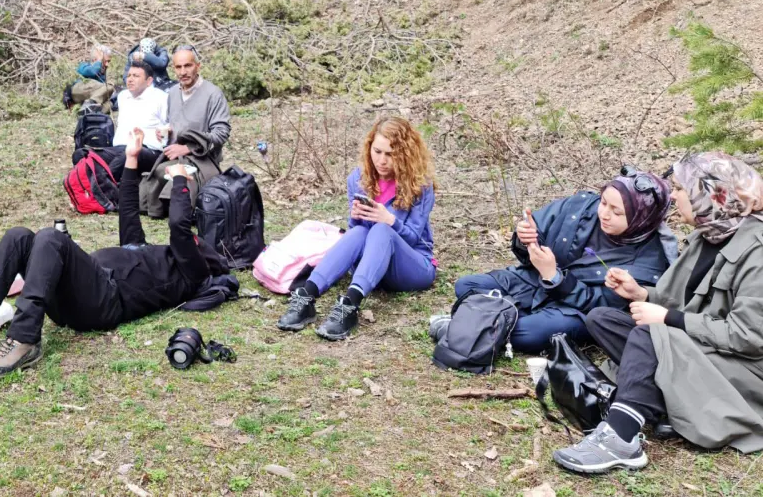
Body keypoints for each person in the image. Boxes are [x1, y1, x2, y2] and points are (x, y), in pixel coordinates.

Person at [0, 128, 230, 378]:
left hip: (104, 302)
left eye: (198, 243)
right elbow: (127, 210)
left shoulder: (192, 273)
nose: (194, 241)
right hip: (77, 293)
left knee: (51, 238)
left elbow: (179, 226)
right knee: (18, 236)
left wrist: (180, 178)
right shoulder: (146, 252)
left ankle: (24, 339)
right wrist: (132, 159)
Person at [552, 152, 763, 474]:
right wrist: (641, 294)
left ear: (708, 195)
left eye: (680, 189)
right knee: (603, 319)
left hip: (743, 371)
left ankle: (621, 438)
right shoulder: (708, 236)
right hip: (701, 349)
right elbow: (683, 303)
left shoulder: (758, 253)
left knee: (650, 333)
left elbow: (748, 337)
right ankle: (662, 401)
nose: (674, 196)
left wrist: (667, 320)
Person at [432, 171, 675, 353]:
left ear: (641, 219)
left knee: (526, 334)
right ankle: (490, 319)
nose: (605, 213)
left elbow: (601, 307)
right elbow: (532, 246)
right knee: (466, 286)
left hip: (576, 309)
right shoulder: (580, 206)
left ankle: (473, 321)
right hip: (532, 282)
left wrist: (555, 278)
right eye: (604, 203)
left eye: (617, 212)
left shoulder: (651, 258)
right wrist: (525, 238)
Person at [277, 116, 435, 340]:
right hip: (373, 267)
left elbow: (412, 239)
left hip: (413, 267)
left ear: (405, 154)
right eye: (377, 151)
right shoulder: (358, 179)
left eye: (390, 154)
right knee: (360, 231)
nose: (382, 160)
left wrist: (390, 220)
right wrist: (356, 218)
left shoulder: (421, 186)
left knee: (381, 229)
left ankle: (350, 304)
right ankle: (307, 295)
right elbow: (357, 237)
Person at [164, 45, 230, 167]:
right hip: (173, 158)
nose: (183, 72)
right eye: (178, 67)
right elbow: (171, 122)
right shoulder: (173, 92)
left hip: (203, 160)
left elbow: (221, 133)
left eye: (188, 65)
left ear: (198, 66)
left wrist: (188, 148)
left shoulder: (213, 94)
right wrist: (165, 131)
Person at [111, 61, 168, 174]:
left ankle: (96, 185)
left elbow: (172, 123)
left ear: (149, 81)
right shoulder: (123, 96)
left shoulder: (161, 98)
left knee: (127, 156)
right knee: (83, 154)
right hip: (119, 148)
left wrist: (166, 131)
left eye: (136, 76)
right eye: (129, 76)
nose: (130, 79)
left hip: (147, 150)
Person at [70, 44, 114, 112]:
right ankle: (91, 103)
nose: (107, 64)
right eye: (105, 61)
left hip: (89, 97)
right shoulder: (84, 66)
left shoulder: (103, 73)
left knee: (110, 103)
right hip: (78, 91)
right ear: (95, 59)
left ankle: (91, 112)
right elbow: (92, 72)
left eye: (109, 62)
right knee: (109, 87)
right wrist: (99, 60)